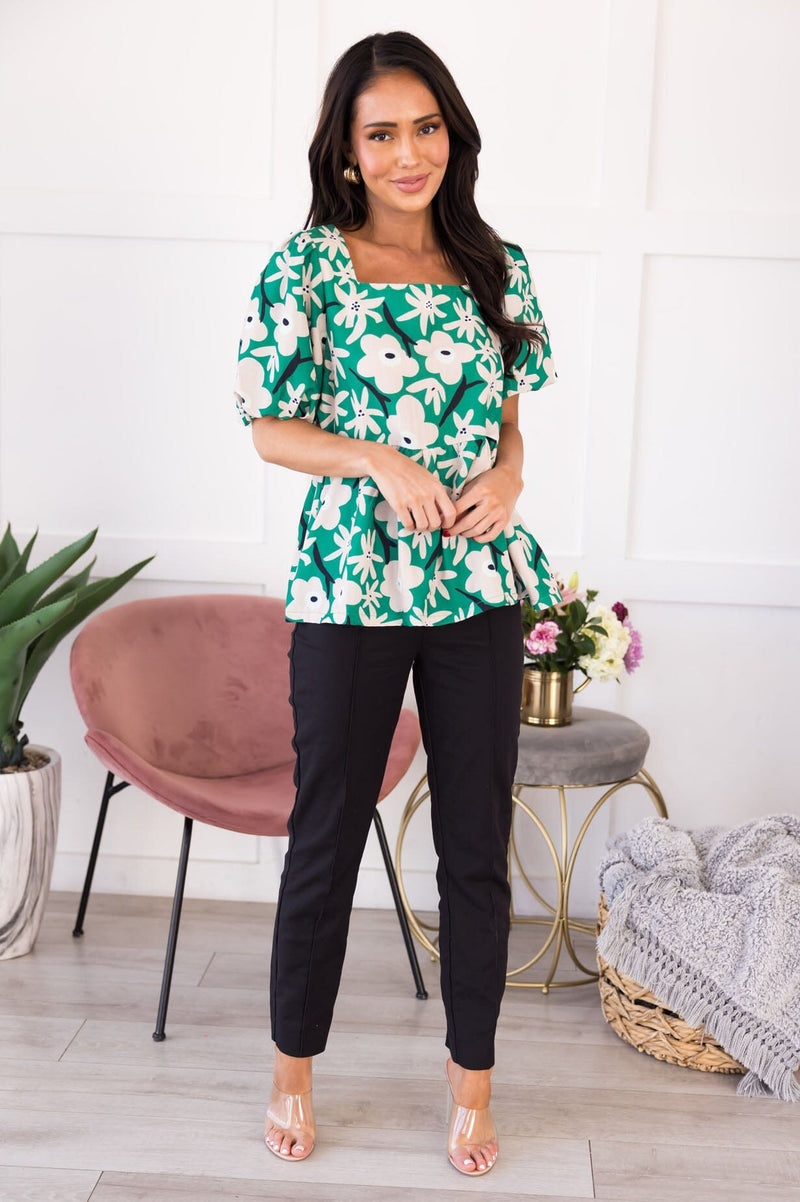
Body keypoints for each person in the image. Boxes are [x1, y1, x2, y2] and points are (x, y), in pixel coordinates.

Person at [232, 30, 562, 1177]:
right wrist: (374, 457)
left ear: (451, 136)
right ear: (347, 150)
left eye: (425, 127)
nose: (407, 152)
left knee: (474, 838)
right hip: (347, 579)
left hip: (474, 579)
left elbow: (510, 419)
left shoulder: (495, 265)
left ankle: (471, 1084)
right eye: (381, 133)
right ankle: (291, 1069)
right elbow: (269, 426)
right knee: (325, 829)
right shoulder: (307, 267)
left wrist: (507, 477)